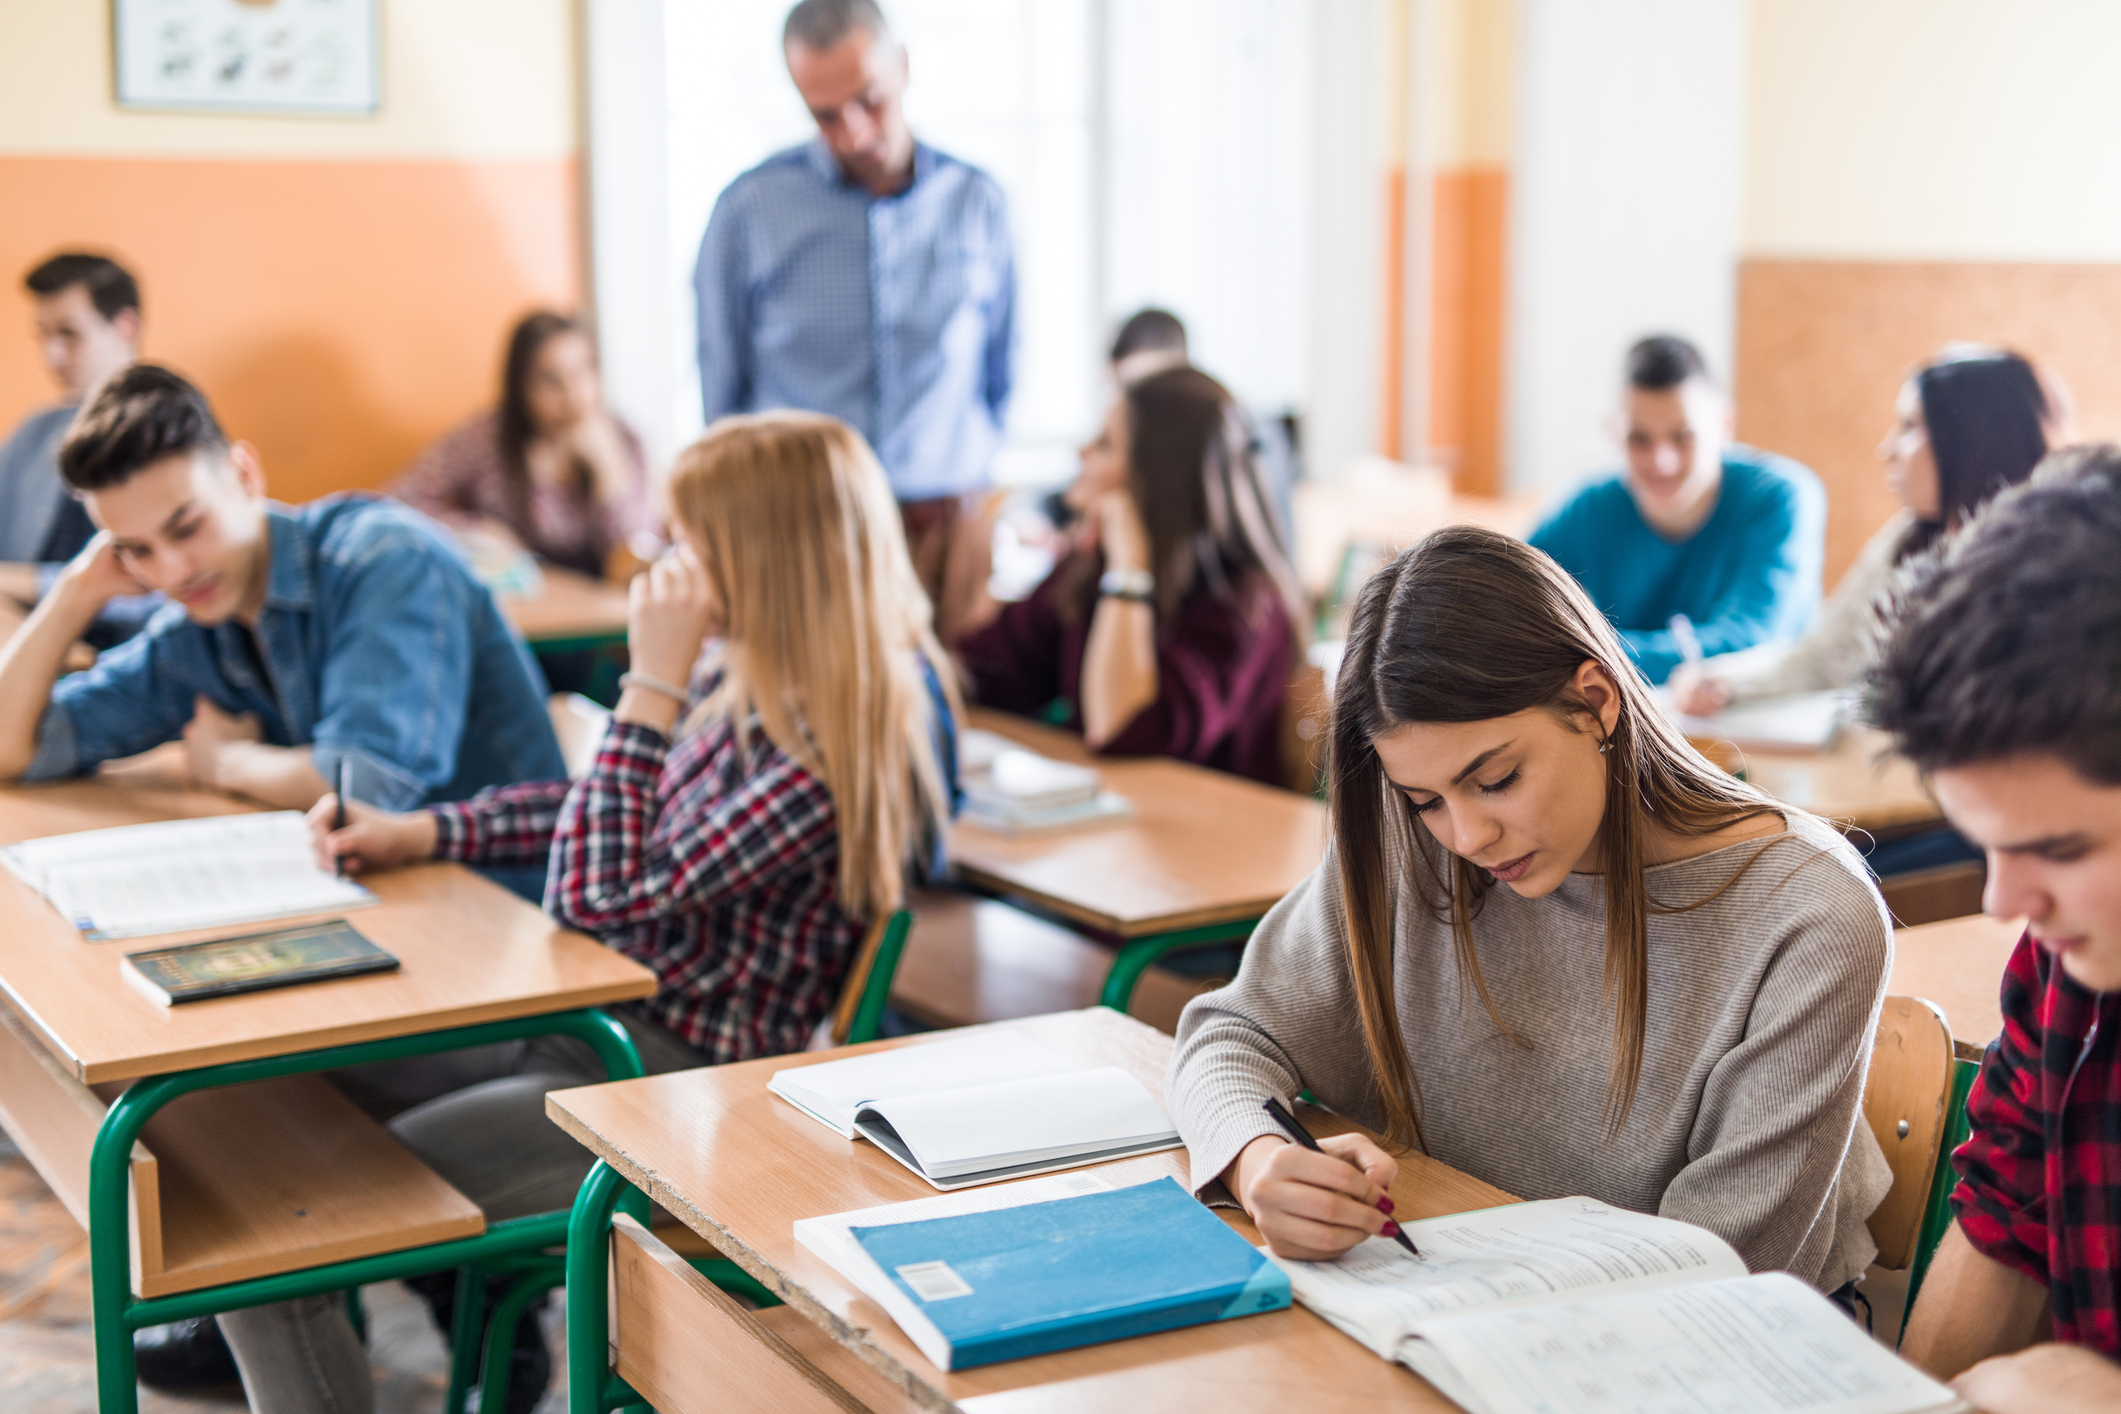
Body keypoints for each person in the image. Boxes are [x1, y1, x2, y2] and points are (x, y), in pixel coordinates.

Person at [204, 411, 962, 1414]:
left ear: (763, 559)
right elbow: (599, 810)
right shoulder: (746, 682)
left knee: (271, 1253)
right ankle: (477, 1323)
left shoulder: (822, 753)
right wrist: (426, 831)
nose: (661, 559)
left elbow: (593, 892)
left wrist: (645, 683)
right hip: (593, 1037)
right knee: (270, 1105)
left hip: (669, 1097)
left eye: (688, 541)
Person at [1167, 526, 1892, 1304]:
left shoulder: (1810, 915)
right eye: (1423, 800)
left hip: (1693, 1350)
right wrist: (1258, 1160)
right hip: (1467, 1301)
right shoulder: (1413, 837)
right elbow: (1230, 1035)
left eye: (1497, 779)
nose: (1467, 836)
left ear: (1594, 703)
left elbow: (1711, 1275)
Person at [0, 365, 564, 810]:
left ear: (245, 476)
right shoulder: (196, 629)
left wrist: (227, 763)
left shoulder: (386, 560)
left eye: (187, 527)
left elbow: (366, 786)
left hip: (511, 912)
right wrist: (75, 592)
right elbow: (11, 747)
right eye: (136, 549)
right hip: (380, 900)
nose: (170, 572)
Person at [1872, 446, 2121, 1414]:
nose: (2005, 903)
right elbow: (2006, 1220)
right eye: (1987, 846)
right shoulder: (2065, 966)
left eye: (2056, 847)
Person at [694, 0, 1014, 640]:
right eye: (825, 115)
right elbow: (722, 392)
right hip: (802, 535)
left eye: (871, 101)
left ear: (902, 67)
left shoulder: (977, 200)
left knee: (952, 724)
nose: (855, 133)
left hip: (945, 536)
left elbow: (1002, 372)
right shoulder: (748, 209)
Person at [953, 365, 1302, 786]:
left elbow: (1122, 729)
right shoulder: (1086, 570)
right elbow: (990, 667)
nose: (1082, 451)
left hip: (1202, 839)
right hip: (1109, 830)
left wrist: (1128, 569)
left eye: (1104, 445)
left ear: (1154, 479)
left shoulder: (1246, 605)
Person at [1672, 346, 2064, 713]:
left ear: (1971, 439)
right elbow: (1820, 658)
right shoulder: (1907, 538)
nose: (1887, 450)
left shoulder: (2050, 563)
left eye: (1910, 427)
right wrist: (1723, 681)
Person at [1530, 335, 1827, 685]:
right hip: (1636, 714)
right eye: (1639, 439)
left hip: (1755, 724)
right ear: (1614, 432)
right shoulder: (1591, 507)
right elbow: (1505, 598)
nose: (1662, 461)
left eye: (1683, 437)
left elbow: (1750, 642)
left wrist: (1584, 655)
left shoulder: (1780, 498)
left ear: (1723, 426)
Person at [389, 310, 656, 582]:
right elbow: (401, 499)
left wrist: (609, 473)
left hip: (602, 608)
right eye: (551, 380)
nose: (572, 394)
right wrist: (477, 532)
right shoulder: (487, 437)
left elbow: (638, 560)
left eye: (583, 371)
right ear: (521, 389)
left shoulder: (625, 440)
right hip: (520, 603)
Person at [0, 252, 158, 644]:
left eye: (69, 334)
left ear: (124, 326)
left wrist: (15, 583)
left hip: (119, 655)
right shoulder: (36, 431)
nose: (50, 355)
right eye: (44, 335)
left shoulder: (167, 433)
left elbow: (155, 590)